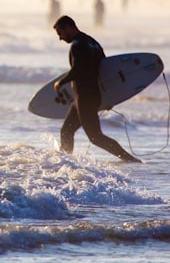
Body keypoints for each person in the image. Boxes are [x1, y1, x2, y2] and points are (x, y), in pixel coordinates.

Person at [52, 15, 141, 163]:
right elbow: (106, 70)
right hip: (89, 96)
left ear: (68, 27)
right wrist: (109, 97)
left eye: (60, 33)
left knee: (95, 136)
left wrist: (61, 82)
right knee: (66, 131)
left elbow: (78, 69)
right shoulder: (92, 42)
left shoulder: (77, 45)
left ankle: (130, 159)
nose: (60, 38)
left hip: (85, 97)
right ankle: (65, 163)